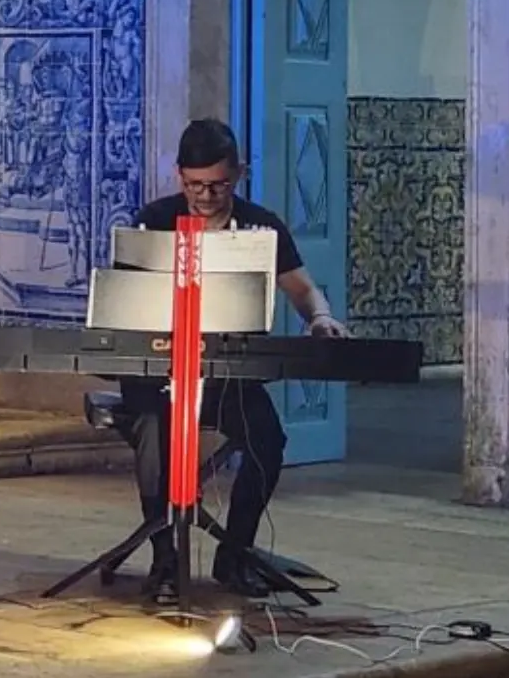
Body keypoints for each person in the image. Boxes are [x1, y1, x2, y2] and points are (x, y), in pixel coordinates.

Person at [121, 118, 348, 599]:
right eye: (194, 185)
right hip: (159, 374)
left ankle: (236, 553)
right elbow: (123, 299)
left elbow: (302, 287)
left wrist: (319, 317)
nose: (205, 196)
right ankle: (166, 558)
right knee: (154, 436)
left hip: (228, 377)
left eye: (218, 185)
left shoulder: (261, 226)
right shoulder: (153, 221)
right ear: (179, 174)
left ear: (239, 173)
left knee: (268, 441)